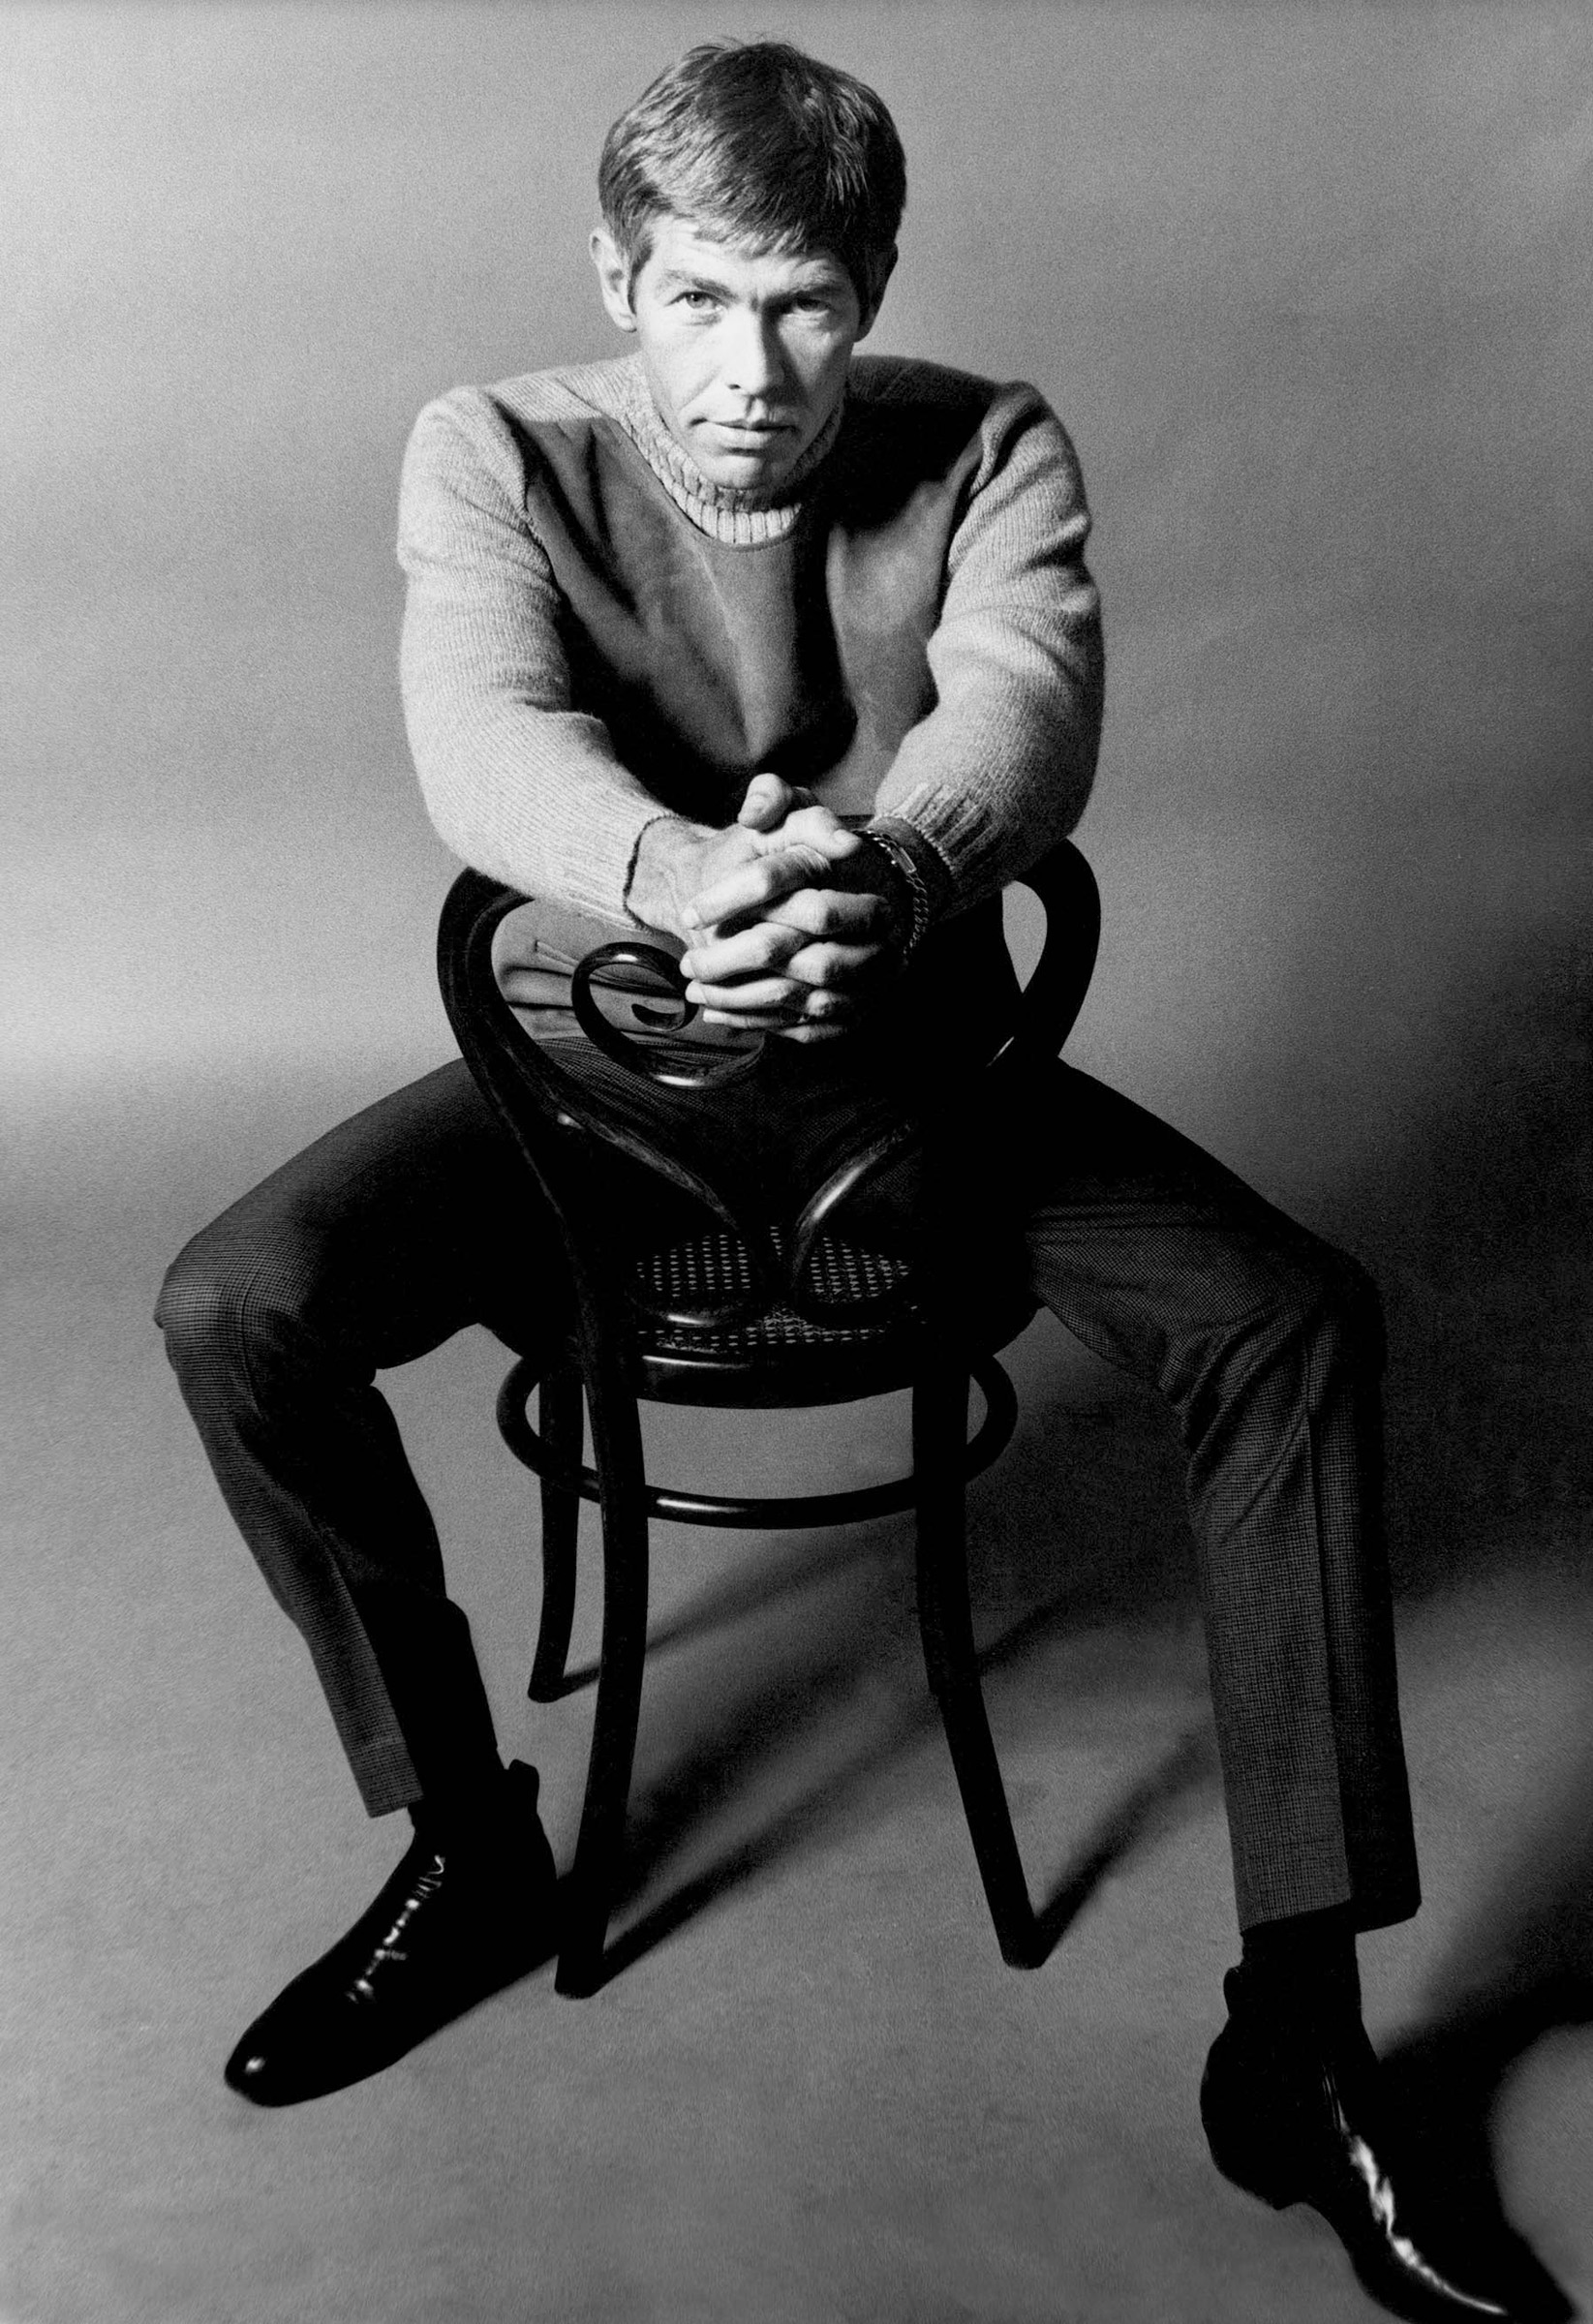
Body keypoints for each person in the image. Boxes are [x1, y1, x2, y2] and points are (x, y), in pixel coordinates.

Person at [156, 41, 1521, 2320]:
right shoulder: (491, 447)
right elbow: (481, 734)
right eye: (700, 299)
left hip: (914, 1095)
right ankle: (468, 1846)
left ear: (872, 289)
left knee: (1293, 1318)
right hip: (589, 1093)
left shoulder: (986, 440)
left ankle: (1298, 2030)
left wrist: (888, 872)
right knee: (236, 1305)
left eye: (803, 305)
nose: (751, 368)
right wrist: (689, 880)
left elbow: (1027, 711)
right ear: (621, 278)